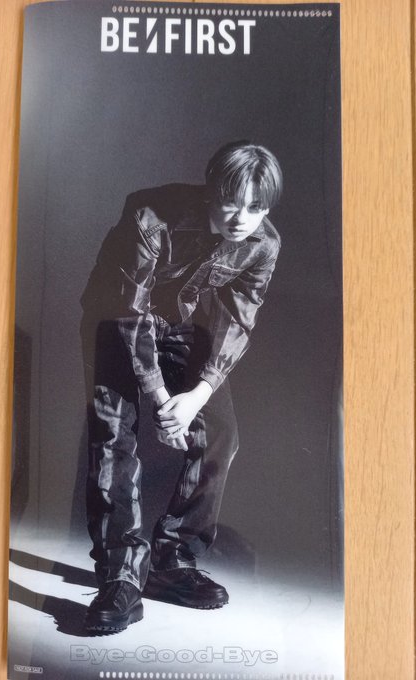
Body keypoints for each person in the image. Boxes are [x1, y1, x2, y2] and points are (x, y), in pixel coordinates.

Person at [80, 140, 282, 634]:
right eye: (231, 202)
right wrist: (160, 400)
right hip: (114, 321)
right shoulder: (151, 218)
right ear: (212, 190)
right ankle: (120, 578)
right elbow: (129, 312)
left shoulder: (263, 243)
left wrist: (198, 395)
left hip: (179, 324)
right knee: (113, 437)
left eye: (256, 207)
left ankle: (171, 561)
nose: (241, 218)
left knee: (219, 434)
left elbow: (238, 319)